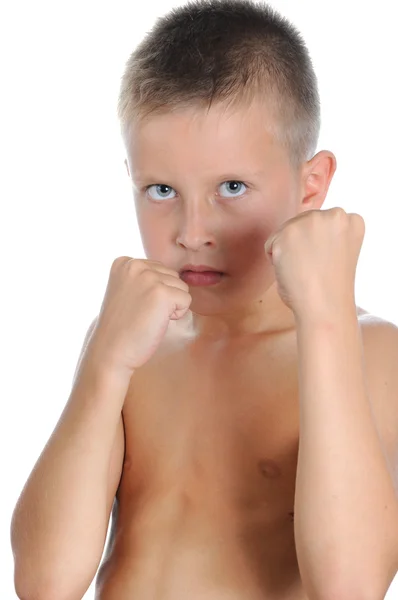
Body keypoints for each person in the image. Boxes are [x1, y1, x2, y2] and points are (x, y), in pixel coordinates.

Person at [11, 1, 398, 599]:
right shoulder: (131, 339)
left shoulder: (368, 349)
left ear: (310, 185)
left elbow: (349, 588)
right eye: (161, 189)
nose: (193, 231)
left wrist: (326, 322)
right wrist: (104, 367)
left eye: (232, 187)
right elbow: (45, 582)